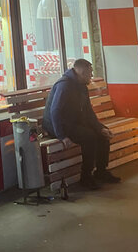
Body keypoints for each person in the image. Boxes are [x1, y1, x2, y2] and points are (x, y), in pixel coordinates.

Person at [42, 59, 121, 189]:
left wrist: (100, 128)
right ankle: (86, 177)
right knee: (89, 137)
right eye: (90, 73)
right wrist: (62, 136)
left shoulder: (82, 86)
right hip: (56, 126)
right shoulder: (64, 85)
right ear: (82, 72)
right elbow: (55, 111)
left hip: (72, 122)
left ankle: (101, 171)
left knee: (102, 134)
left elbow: (88, 111)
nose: (91, 76)